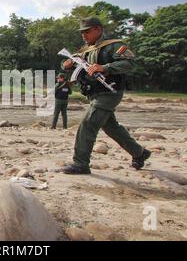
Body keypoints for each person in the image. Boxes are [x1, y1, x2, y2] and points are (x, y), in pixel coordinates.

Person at [60, 17, 151, 175]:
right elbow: (72, 64)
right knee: (111, 128)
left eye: (87, 31)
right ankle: (139, 153)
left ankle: (80, 163)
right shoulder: (86, 49)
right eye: (82, 32)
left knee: (88, 124)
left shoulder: (114, 46)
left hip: (109, 92)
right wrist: (67, 65)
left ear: (98, 29)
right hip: (94, 93)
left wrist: (104, 67)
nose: (84, 35)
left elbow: (129, 63)